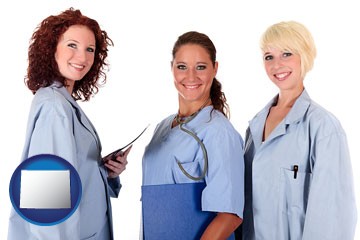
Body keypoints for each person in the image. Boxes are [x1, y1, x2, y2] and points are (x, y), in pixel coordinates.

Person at [7, 8, 130, 240]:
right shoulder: (55, 107)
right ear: (51, 48)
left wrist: (106, 171)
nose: (82, 58)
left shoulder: (61, 102)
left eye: (90, 49)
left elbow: (70, 174)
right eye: (72, 45)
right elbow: (47, 201)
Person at [240, 21, 357, 239]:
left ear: (304, 56)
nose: (277, 65)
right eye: (269, 57)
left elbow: (332, 216)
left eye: (286, 54)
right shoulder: (255, 125)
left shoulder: (323, 127)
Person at [142, 31, 244, 239]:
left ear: (215, 69)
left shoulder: (218, 132)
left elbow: (230, 215)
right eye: (182, 67)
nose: (190, 77)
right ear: (172, 69)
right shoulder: (162, 127)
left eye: (200, 67)